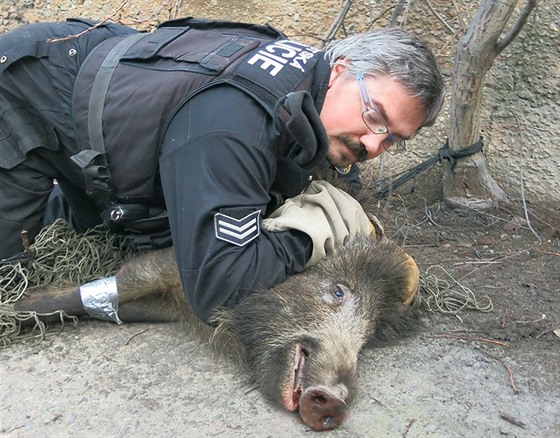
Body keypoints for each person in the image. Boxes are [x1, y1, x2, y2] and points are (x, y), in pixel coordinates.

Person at [0, 17, 444, 322]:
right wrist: (304, 236)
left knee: (84, 230)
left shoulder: (314, 97)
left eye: (392, 139)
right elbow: (217, 289)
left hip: (108, 119)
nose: (373, 144)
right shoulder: (237, 124)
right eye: (374, 117)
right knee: (11, 279)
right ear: (342, 71)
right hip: (25, 88)